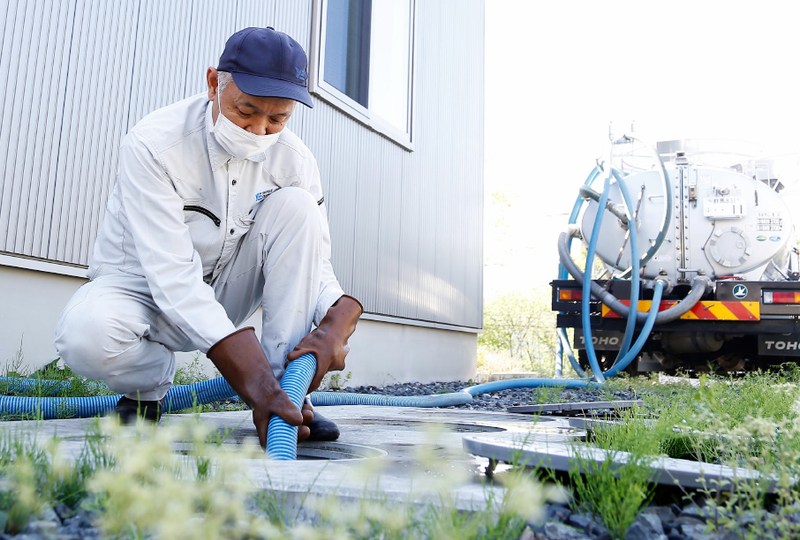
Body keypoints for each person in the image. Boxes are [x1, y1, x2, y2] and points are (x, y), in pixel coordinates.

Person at [54, 27, 362, 446]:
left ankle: (284, 393)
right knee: (85, 336)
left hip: (226, 287)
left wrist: (338, 317)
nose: (258, 131)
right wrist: (246, 378)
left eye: (278, 118)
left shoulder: (294, 160)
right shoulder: (155, 144)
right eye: (245, 111)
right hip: (139, 287)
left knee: (299, 207)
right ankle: (149, 389)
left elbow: (313, 260)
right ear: (214, 82)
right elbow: (171, 273)